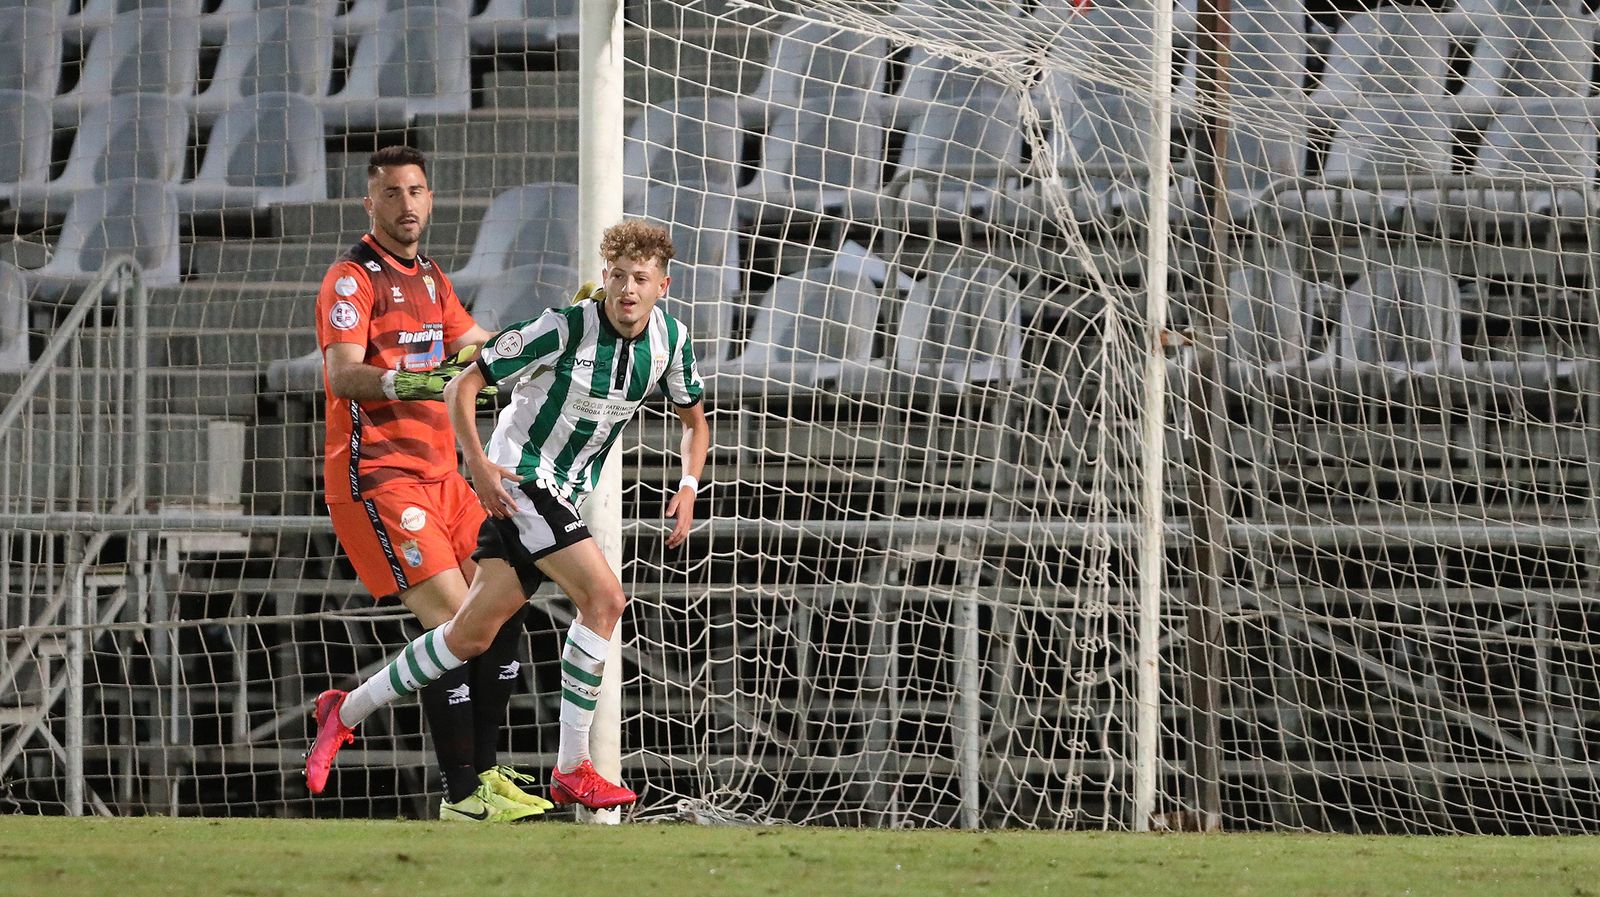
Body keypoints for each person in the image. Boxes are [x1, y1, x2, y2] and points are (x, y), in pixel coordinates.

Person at [307, 219, 710, 810]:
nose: (627, 289)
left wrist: (688, 486)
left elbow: (696, 422)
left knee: (467, 636)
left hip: (564, 492)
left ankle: (346, 709)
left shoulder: (671, 343)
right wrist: (478, 464)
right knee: (604, 601)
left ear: (663, 287)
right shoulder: (562, 327)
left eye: (640, 279)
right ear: (605, 278)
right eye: (618, 276)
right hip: (521, 479)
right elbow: (460, 387)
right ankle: (574, 767)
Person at [305, 145, 553, 823]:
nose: (406, 205)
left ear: (431, 198)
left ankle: (488, 775)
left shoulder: (432, 278)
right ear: (370, 203)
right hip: (382, 476)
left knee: (499, 605)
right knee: (453, 624)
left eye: (416, 191)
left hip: (444, 473)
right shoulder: (352, 279)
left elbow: (475, 341)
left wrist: (550, 340)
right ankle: (461, 795)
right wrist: (412, 381)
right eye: (391, 194)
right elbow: (341, 373)